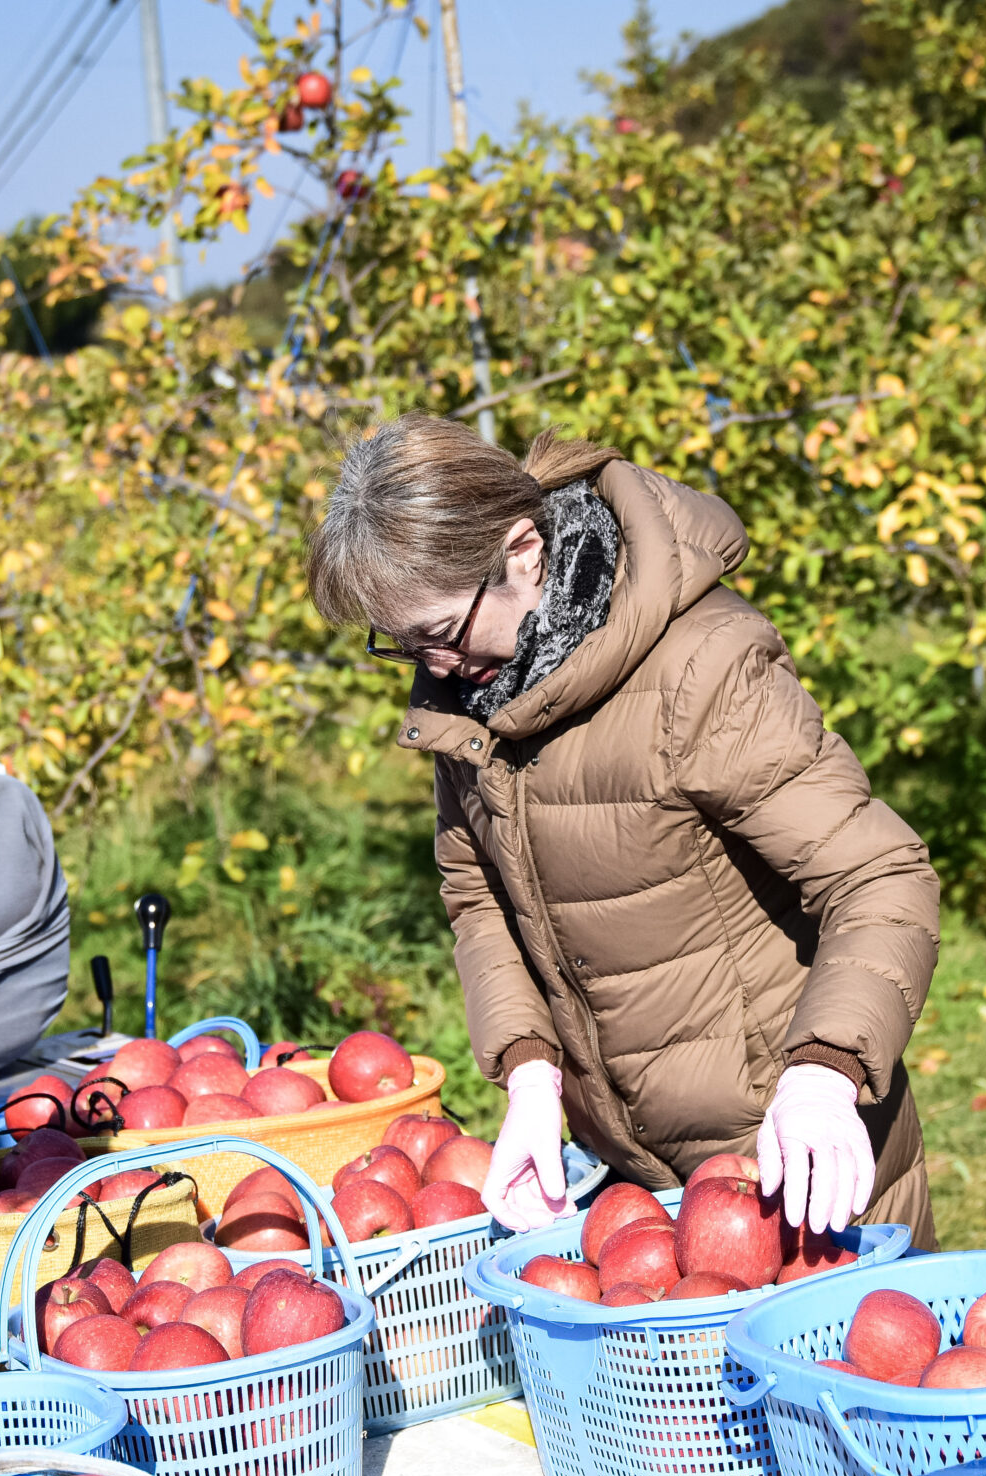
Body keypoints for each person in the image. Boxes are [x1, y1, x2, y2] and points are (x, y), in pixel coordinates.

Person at [309, 417, 941, 1242]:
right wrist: (532, 1073)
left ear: (524, 551)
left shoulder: (699, 670)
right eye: (402, 645)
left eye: (441, 633)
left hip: (795, 1152)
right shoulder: (473, 701)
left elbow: (879, 876)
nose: (432, 668)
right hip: (635, 1184)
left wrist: (825, 1071)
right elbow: (480, 897)